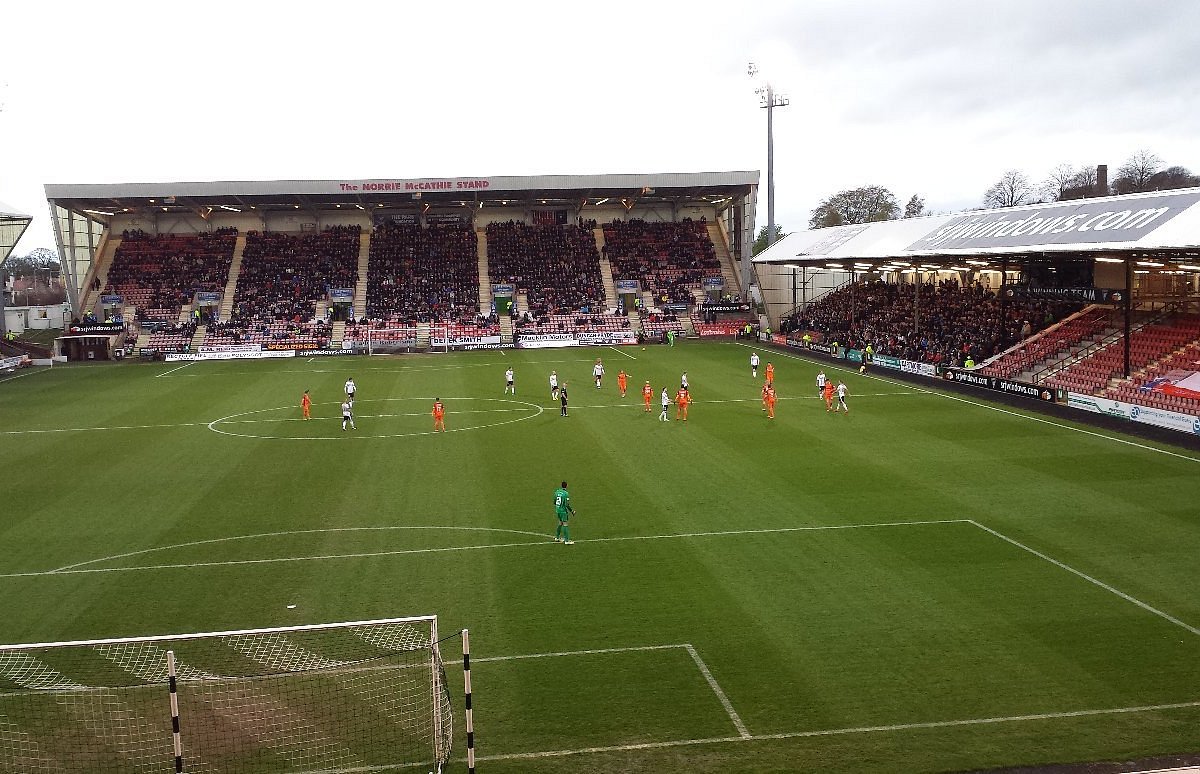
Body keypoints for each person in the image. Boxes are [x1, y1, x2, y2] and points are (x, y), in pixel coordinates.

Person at [553, 480, 575, 544]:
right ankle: (567, 541)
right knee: (565, 524)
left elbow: (554, 502)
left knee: (560, 523)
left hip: (558, 510)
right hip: (563, 511)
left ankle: (557, 537)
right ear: (566, 486)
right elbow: (567, 504)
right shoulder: (566, 494)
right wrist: (572, 511)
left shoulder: (557, 492)